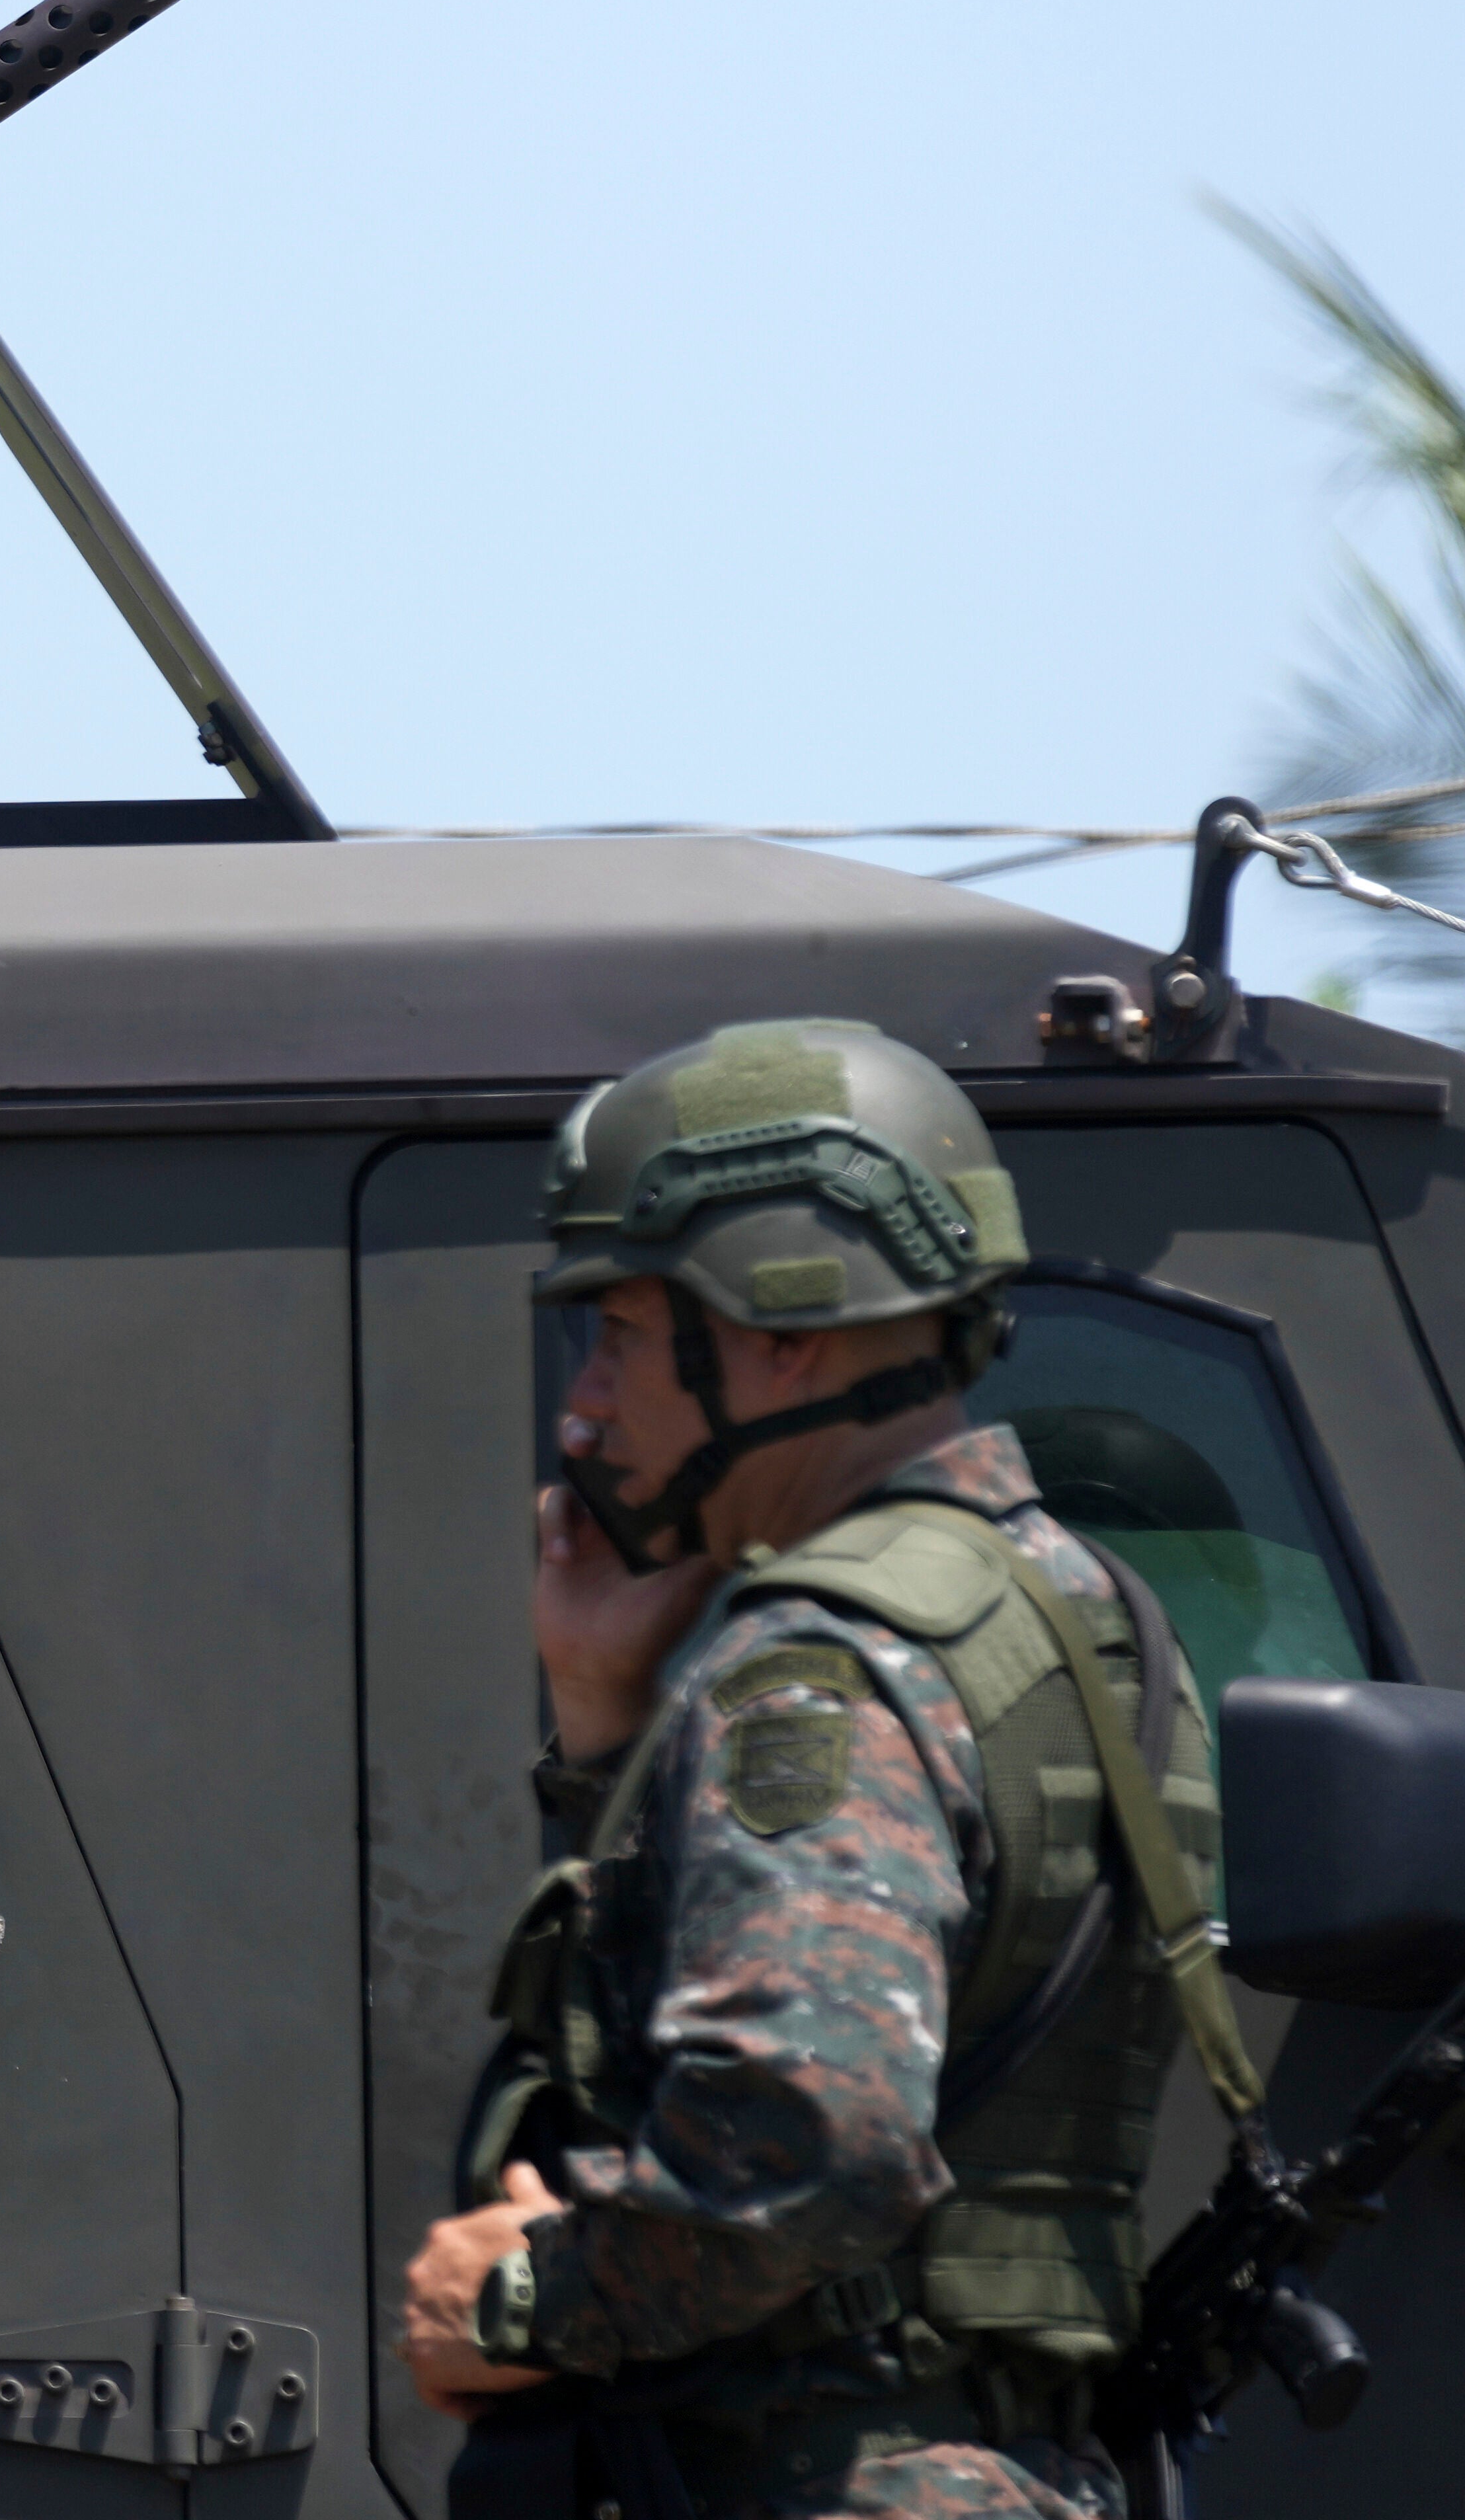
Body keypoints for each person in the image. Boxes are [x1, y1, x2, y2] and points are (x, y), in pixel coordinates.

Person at [399, 1023, 1257, 2520]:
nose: (584, 1402)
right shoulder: (1083, 1615)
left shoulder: (824, 1666)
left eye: (620, 1330)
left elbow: (811, 2144)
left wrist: (523, 2297)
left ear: (781, 1330)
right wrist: (605, 1717)